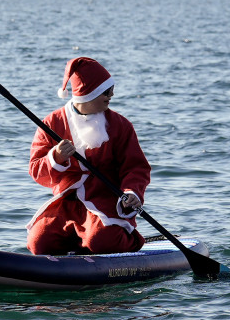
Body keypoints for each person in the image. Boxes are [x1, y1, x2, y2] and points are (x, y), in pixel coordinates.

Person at [26, 56, 151, 255]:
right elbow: (35, 170)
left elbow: (136, 168)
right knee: (39, 242)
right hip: (65, 204)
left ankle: (131, 241)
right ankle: (76, 244)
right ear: (87, 94)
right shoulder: (51, 123)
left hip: (105, 202)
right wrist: (55, 158)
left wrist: (132, 192)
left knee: (101, 241)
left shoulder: (120, 125)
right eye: (106, 91)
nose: (112, 95)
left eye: (111, 89)